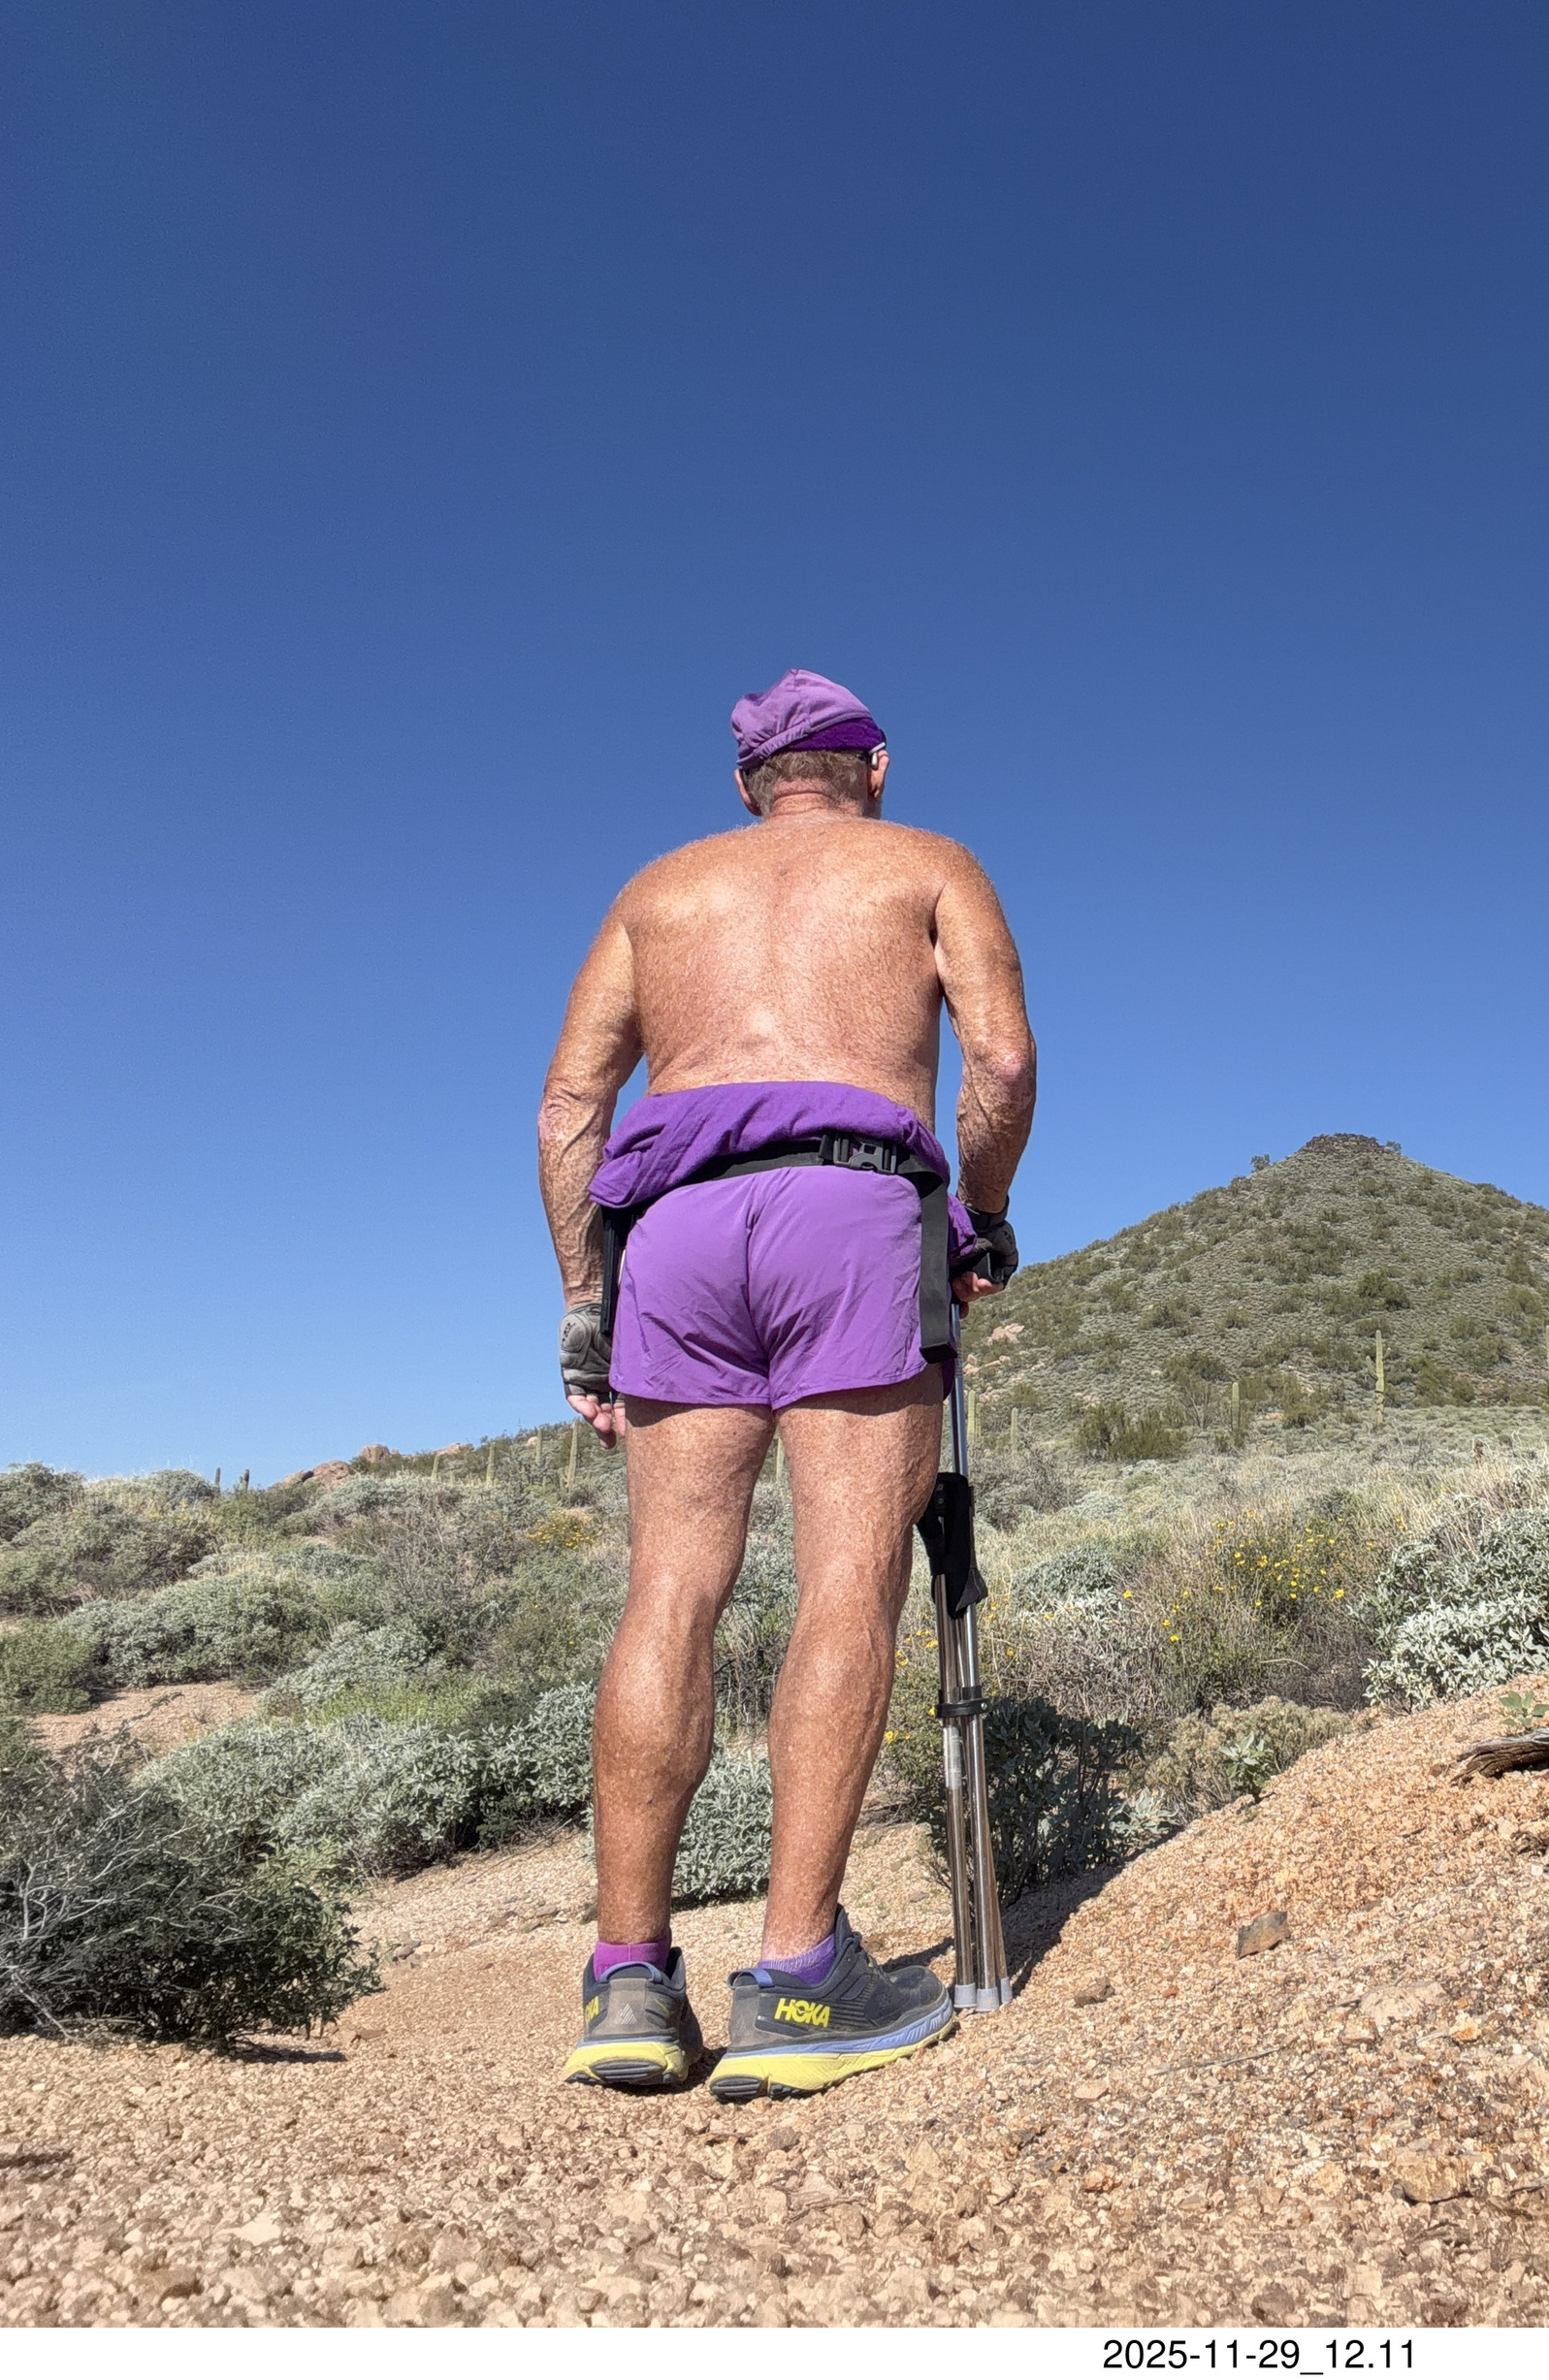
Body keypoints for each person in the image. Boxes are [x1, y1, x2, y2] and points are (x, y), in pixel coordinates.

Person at [535, 667, 1036, 2098]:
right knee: (847, 1581)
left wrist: (587, 1304)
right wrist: (983, 1216)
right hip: (850, 1203)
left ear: (748, 784)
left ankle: (629, 1979)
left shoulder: (659, 891)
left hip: (675, 1227)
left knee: (669, 1589)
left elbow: (571, 1106)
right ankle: (802, 1974)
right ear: (871, 766)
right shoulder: (927, 863)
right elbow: (1001, 1063)